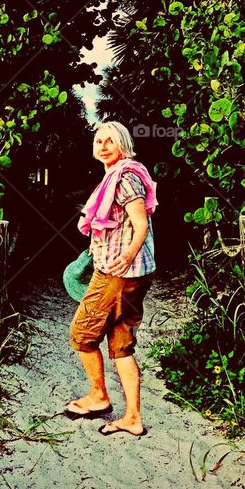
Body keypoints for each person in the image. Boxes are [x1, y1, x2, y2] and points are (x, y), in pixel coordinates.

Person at [66, 120, 157, 437]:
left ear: (124, 145)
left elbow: (140, 224)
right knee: (121, 343)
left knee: (81, 334)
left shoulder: (125, 179)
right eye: (98, 141)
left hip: (118, 274)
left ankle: (99, 397)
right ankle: (133, 418)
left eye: (110, 140)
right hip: (131, 274)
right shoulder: (118, 176)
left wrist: (128, 255)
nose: (103, 145)